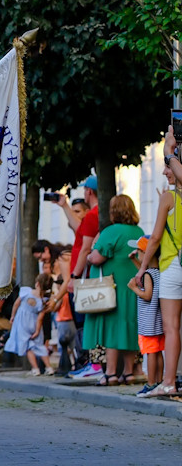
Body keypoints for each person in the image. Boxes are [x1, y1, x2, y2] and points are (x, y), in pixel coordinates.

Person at [84, 194, 142, 385]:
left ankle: (110, 373)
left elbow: (96, 258)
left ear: (113, 211)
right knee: (129, 328)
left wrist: (89, 254)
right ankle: (129, 372)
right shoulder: (138, 231)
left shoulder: (111, 231)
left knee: (112, 330)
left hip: (112, 288)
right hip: (133, 288)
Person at [139, 146, 182, 396]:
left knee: (171, 327)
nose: (165, 172)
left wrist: (143, 268)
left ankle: (168, 383)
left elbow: (155, 238)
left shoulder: (169, 198)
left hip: (172, 266)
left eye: (168, 166)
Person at [65, 175, 103, 379]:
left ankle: (91, 363)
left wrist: (74, 276)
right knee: (88, 320)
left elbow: (85, 248)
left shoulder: (92, 215)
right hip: (90, 275)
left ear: (89, 192)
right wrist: (64, 206)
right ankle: (92, 363)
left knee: (85, 321)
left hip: (84, 276)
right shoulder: (98, 215)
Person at [127, 235, 163, 397]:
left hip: (148, 321)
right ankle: (160, 381)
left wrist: (134, 288)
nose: (137, 253)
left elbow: (147, 295)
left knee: (150, 353)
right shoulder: (157, 271)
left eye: (139, 252)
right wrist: (134, 260)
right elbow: (143, 273)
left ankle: (150, 383)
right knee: (158, 352)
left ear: (146, 253)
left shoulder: (148, 274)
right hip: (158, 320)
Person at [4, 276, 52, 375]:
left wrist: (12, 316)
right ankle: (49, 367)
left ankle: (35, 368)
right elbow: (40, 318)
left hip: (22, 322)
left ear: (37, 284)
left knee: (27, 347)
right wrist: (37, 331)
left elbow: (16, 304)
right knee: (40, 346)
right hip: (34, 323)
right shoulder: (43, 301)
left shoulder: (26, 292)